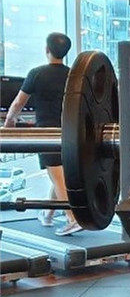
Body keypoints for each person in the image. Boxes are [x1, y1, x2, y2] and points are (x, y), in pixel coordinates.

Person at [3, 32, 81, 236]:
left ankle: (72, 219)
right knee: (58, 176)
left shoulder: (36, 73)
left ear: (47, 49)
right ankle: (47, 215)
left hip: (46, 134)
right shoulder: (73, 75)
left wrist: (9, 124)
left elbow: (18, 103)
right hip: (69, 132)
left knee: (58, 178)